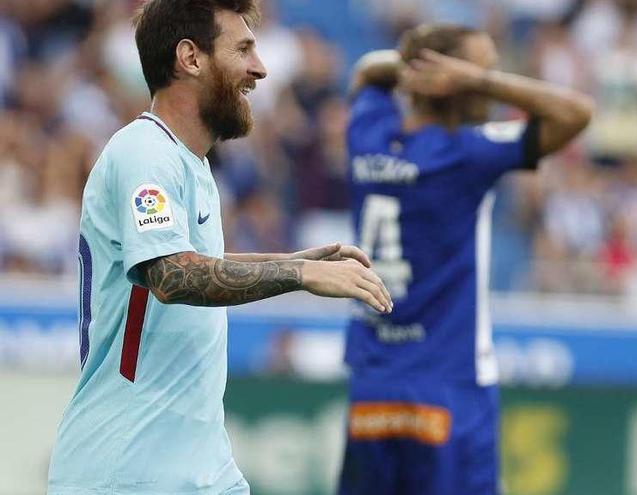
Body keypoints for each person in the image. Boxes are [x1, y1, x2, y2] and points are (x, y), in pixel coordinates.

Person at [47, 1, 392, 493]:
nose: (261, 68)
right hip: (128, 468)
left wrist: (292, 262)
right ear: (190, 58)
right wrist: (299, 277)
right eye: (244, 49)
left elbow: (194, 260)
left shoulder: (191, 163)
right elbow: (170, 274)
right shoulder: (145, 153)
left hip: (198, 468)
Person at [339, 24, 593, 495]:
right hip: (450, 386)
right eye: (483, 70)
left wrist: (411, 66)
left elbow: (366, 71)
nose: (488, 79)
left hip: (372, 386)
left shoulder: (366, 132)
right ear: (451, 80)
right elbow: (577, 113)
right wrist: (477, 80)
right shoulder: (467, 152)